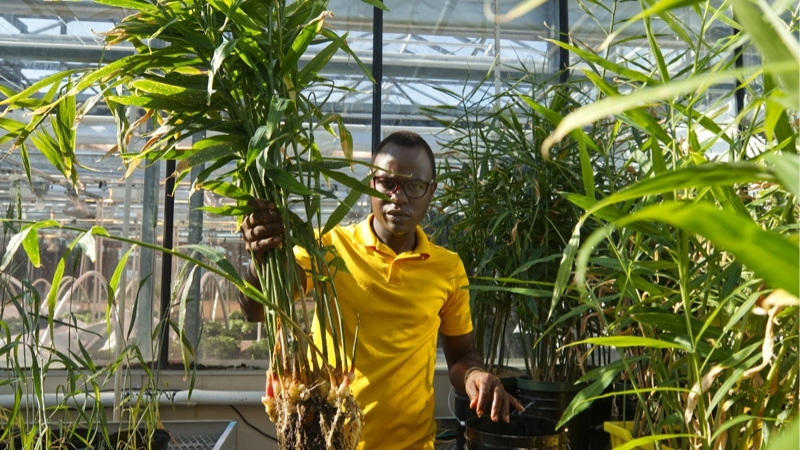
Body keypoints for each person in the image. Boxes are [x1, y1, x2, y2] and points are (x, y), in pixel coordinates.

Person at [239, 131, 523, 449]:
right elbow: (256, 310)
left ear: (431, 191)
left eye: (414, 186)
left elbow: (461, 356)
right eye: (387, 183)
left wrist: (474, 376)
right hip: (330, 441)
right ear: (370, 183)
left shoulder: (448, 268)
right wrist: (257, 261)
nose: (398, 197)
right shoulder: (327, 246)